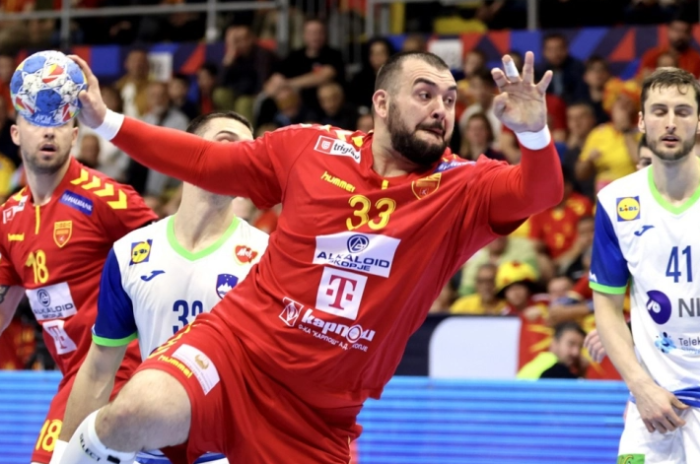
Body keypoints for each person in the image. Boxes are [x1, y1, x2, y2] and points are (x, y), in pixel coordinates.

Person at [60, 50, 563, 464]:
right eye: (425, 94)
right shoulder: (311, 148)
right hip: (234, 351)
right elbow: (208, 161)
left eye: (450, 100)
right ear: (382, 103)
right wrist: (107, 123)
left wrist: (534, 135)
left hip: (318, 419)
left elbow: (540, 192)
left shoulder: (464, 189)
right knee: (133, 412)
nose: (441, 110)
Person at [53, 112, 269, 464]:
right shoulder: (129, 253)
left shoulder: (267, 255)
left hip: (228, 454)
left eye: (248, 150)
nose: (238, 156)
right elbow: (98, 370)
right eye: (227, 142)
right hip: (147, 451)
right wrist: (64, 455)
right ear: (186, 151)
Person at [0, 112, 157, 464]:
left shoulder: (107, 198)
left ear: (73, 135)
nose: (48, 132)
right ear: (15, 133)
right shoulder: (8, 218)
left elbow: (169, 262)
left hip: (124, 369)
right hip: (74, 377)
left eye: (58, 124)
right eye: (36, 123)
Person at [590, 67, 700, 463]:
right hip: (652, 410)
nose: (670, 122)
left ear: (699, 121)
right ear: (641, 121)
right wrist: (640, 387)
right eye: (659, 110)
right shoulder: (616, 202)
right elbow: (606, 306)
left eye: (683, 111)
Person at [517, 321, 586, 379]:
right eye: (571, 344)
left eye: (580, 347)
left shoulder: (536, 364)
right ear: (554, 343)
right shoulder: (555, 369)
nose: (576, 352)